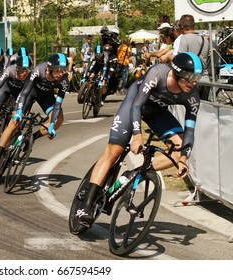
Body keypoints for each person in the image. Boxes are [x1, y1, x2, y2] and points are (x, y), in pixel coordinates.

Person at [75, 52, 203, 227]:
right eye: (189, 78)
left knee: (179, 147)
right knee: (114, 152)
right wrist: (137, 135)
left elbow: (190, 131)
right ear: (177, 73)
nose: (193, 82)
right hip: (134, 104)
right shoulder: (158, 73)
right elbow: (136, 105)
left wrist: (183, 159)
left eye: (197, 78)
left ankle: (137, 171)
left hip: (157, 112)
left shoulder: (192, 94)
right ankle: (86, 205)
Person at [0, 53, 69, 173]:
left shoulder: (64, 80)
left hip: (46, 97)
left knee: (59, 119)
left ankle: (32, 137)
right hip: (30, 93)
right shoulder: (38, 70)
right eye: (58, 70)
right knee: (15, 122)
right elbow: (24, 93)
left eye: (63, 70)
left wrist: (51, 125)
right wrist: (19, 111)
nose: (61, 73)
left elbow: (57, 105)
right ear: (50, 68)